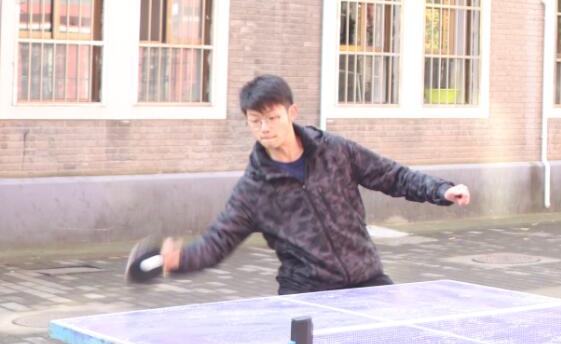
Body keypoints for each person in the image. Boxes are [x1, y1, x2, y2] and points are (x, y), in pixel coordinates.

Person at [160, 74, 470, 294]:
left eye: (272, 118)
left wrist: (441, 190)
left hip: (366, 281)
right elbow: (217, 243)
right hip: (307, 294)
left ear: (291, 113)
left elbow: (393, 176)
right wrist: (179, 260)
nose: (264, 128)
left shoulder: (335, 151)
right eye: (255, 121)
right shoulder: (254, 190)